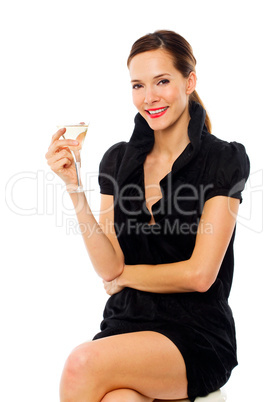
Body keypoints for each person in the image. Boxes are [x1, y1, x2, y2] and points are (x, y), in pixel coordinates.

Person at [46, 30, 250, 402]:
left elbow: (200, 275)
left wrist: (126, 277)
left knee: (81, 364)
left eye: (162, 81)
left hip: (196, 333)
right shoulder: (118, 160)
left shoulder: (223, 159)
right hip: (126, 325)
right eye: (138, 85)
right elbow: (109, 266)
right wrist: (73, 187)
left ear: (189, 81)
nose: (149, 97)